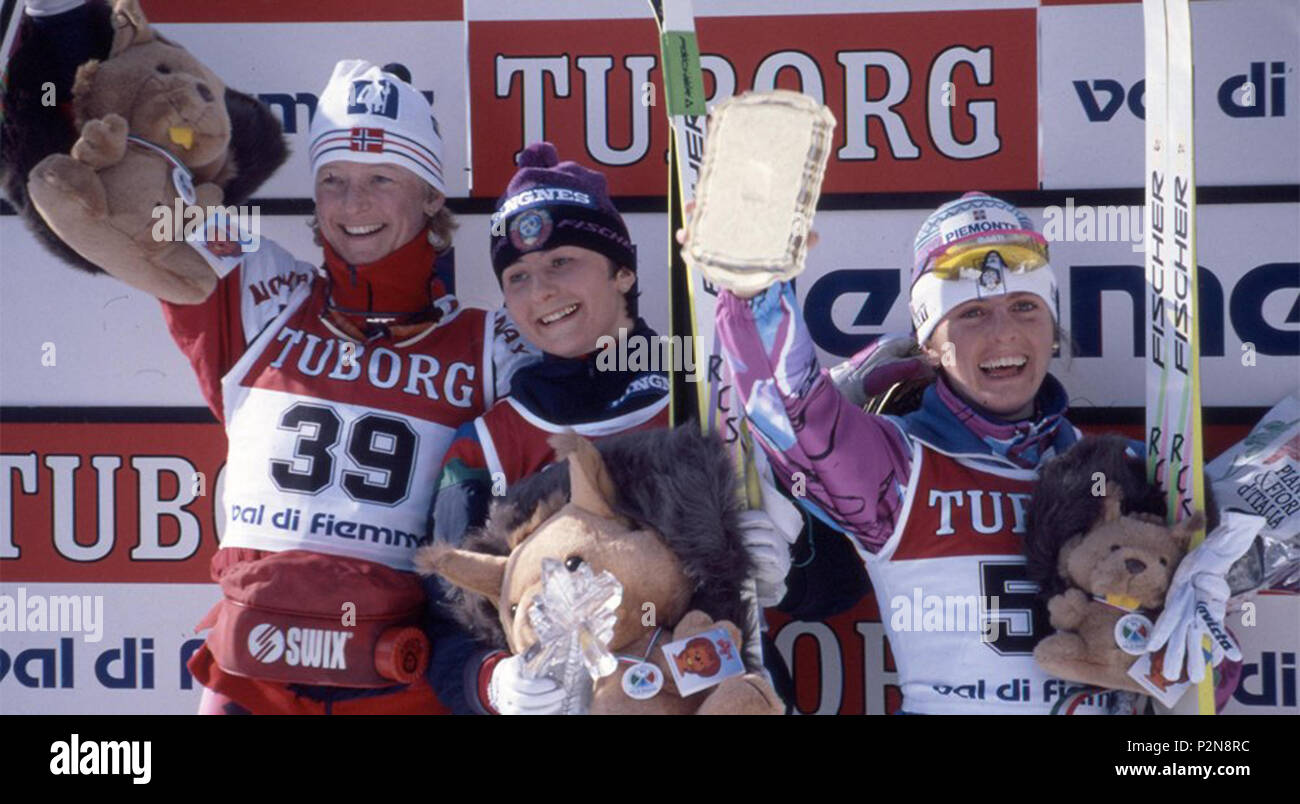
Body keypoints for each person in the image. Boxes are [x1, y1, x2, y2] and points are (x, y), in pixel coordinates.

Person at [423, 142, 798, 714]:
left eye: (561, 263)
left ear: (622, 272)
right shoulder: (486, 445)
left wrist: (792, 565)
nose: (539, 292)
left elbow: (840, 589)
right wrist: (492, 683)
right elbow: (441, 629)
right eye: (517, 275)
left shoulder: (711, 398)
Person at [711, 191, 1120, 714]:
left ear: (1052, 326)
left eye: (1025, 307)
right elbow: (788, 410)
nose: (1005, 333)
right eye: (972, 313)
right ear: (928, 342)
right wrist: (757, 293)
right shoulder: (899, 467)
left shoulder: (1115, 472)